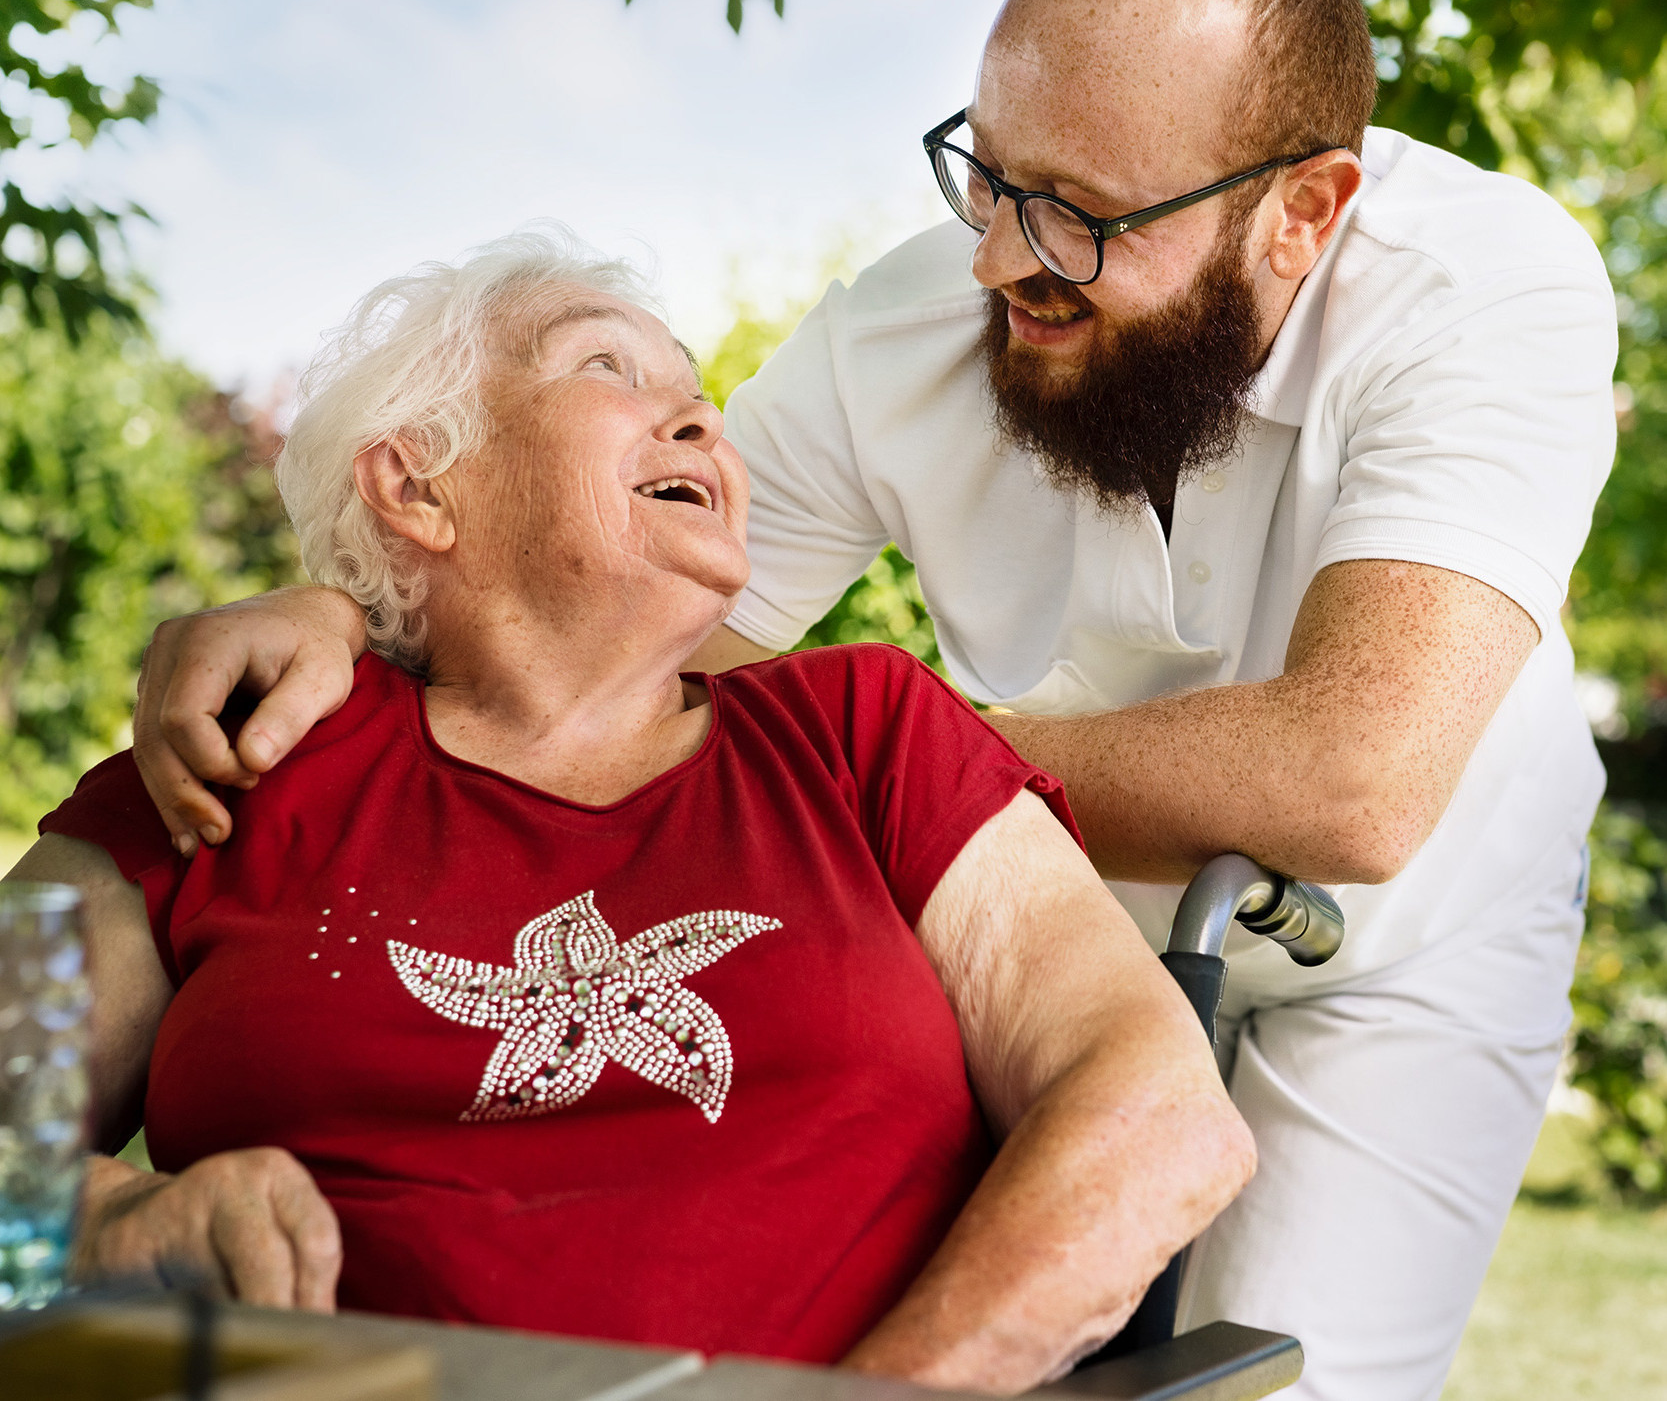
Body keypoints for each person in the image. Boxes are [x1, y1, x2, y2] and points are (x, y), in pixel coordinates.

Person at [128, 0, 1619, 1400]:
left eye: (1081, 218)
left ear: (1298, 213)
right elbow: (589, 622)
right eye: (985, 174)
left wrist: (905, 771)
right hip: (1048, 906)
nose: (993, 262)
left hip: (1404, 942)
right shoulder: (904, 330)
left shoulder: (1484, 292)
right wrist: (338, 604)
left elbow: (1348, 779)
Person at [15, 231, 1253, 1394]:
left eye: (700, 392)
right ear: (417, 485)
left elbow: (1157, 1110)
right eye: (605, 363)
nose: (703, 418)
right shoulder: (232, 763)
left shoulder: (862, 730)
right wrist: (105, 1223)